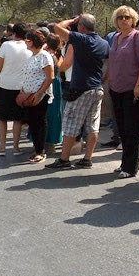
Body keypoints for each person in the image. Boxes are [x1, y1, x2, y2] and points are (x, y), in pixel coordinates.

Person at [47, 13, 109, 169]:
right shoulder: (103, 43)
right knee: (92, 125)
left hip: (81, 88)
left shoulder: (81, 40)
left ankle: (64, 159)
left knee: (70, 124)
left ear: (81, 26)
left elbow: (57, 28)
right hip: (97, 88)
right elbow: (110, 64)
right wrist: (103, 80)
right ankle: (87, 158)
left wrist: (72, 20)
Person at [107, 5, 139, 178]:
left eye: (127, 17)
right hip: (116, 88)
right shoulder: (116, 37)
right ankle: (124, 163)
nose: (123, 20)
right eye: (120, 17)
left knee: (132, 129)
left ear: (133, 19)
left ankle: (130, 167)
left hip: (133, 89)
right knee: (122, 129)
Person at [0, 22, 31, 155]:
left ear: (13, 32)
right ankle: (16, 147)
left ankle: (2, 147)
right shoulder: (29, 47)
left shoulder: (6, 45)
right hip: (21, 86)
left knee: (2, 117)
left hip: (5, 84)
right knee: (18, 118)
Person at [20, 30, 55, 163]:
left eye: (28, 40)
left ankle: (41, 150)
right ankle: (36, 148)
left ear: (33, 42)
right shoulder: (32, 56)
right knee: (33, 122)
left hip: (40, 95)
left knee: (39, 122)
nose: (25, 42)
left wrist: (39, 93)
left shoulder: (44, 56)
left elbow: (50, 76)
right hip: (29, 95)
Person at [44, 33, 64, 149]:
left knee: (48, 111)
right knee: (55, 111)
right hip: (57, 83)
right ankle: (54, 138)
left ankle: (47, 138)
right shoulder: (59, 55)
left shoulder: (48, 56)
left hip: (49, 83)